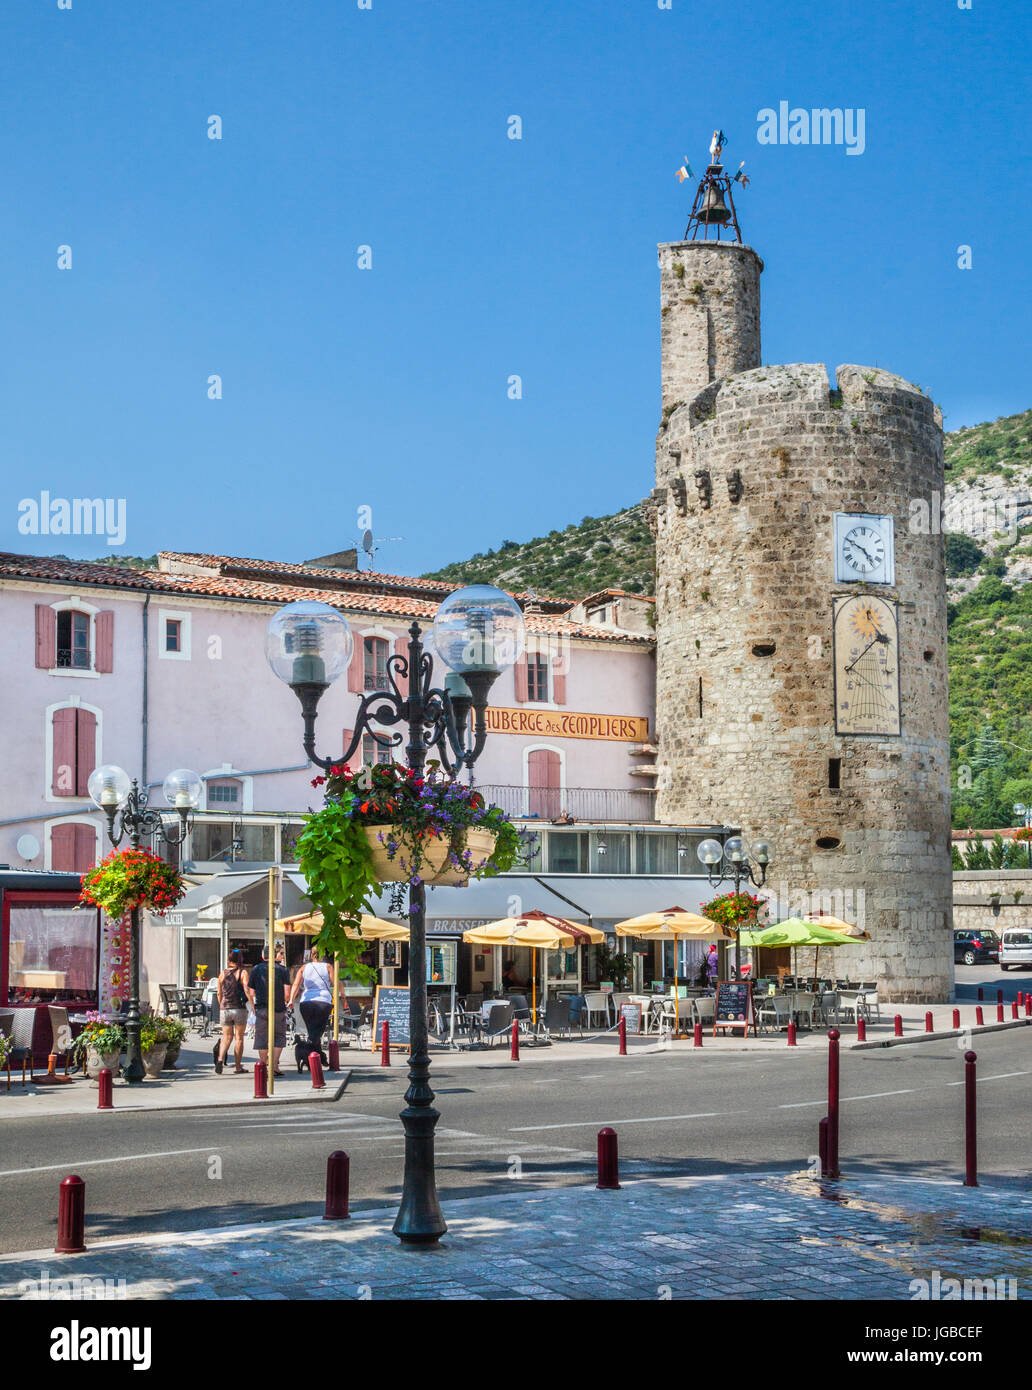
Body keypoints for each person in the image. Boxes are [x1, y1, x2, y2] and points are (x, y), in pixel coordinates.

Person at [248, 944, 290, 1078]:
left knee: (261, 1037)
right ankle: (274, 1065)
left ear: (262, 956)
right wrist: (281, 999)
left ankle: (263, 1065)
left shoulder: (256, 969)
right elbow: (287, 993)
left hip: (261, 1008)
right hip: (278, 1009)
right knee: (279, 1036)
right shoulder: (283, 970)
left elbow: (251, 991)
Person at [288, 945, 335, 1057]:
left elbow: (296, 984)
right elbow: (336, 983)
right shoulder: (328, 967)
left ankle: (314, 1056)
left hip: (306, 1002)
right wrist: (343, 996)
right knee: (317, 1032)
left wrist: (291, 1000)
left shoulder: (304, 968)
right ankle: (311, 1055)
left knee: (312, 1031)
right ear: (323, 954)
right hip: (323, 1002)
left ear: (311, 955)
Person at [214, 950, 249, 1075]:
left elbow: (219, 993)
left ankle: (220, 1059)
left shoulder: (222, 974)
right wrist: (252, 1004)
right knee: (239, 1038)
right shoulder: (242, 972)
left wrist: (221, 1005)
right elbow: (246, 989)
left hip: (225, 1009)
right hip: (239, 1008)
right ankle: (238, 1067)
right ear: (240, 959)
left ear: (229, 960)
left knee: (226, 1037)